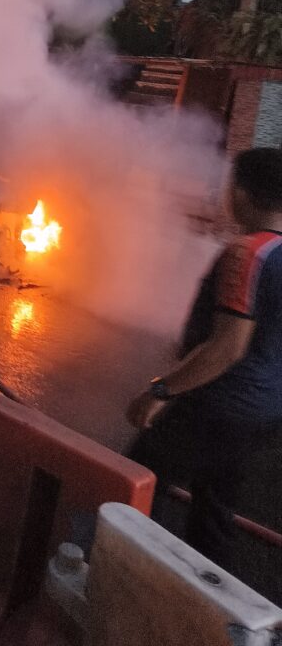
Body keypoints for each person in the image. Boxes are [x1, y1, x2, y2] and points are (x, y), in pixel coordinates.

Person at [126, 147, 282, 573]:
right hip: (264, 412)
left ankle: (114, 569)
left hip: (219, 406)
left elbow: (226, 348)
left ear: (242, 193)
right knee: (214, 506)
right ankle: (206, 590)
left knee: (137, 480)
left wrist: (160, 391)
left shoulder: (248, 253)